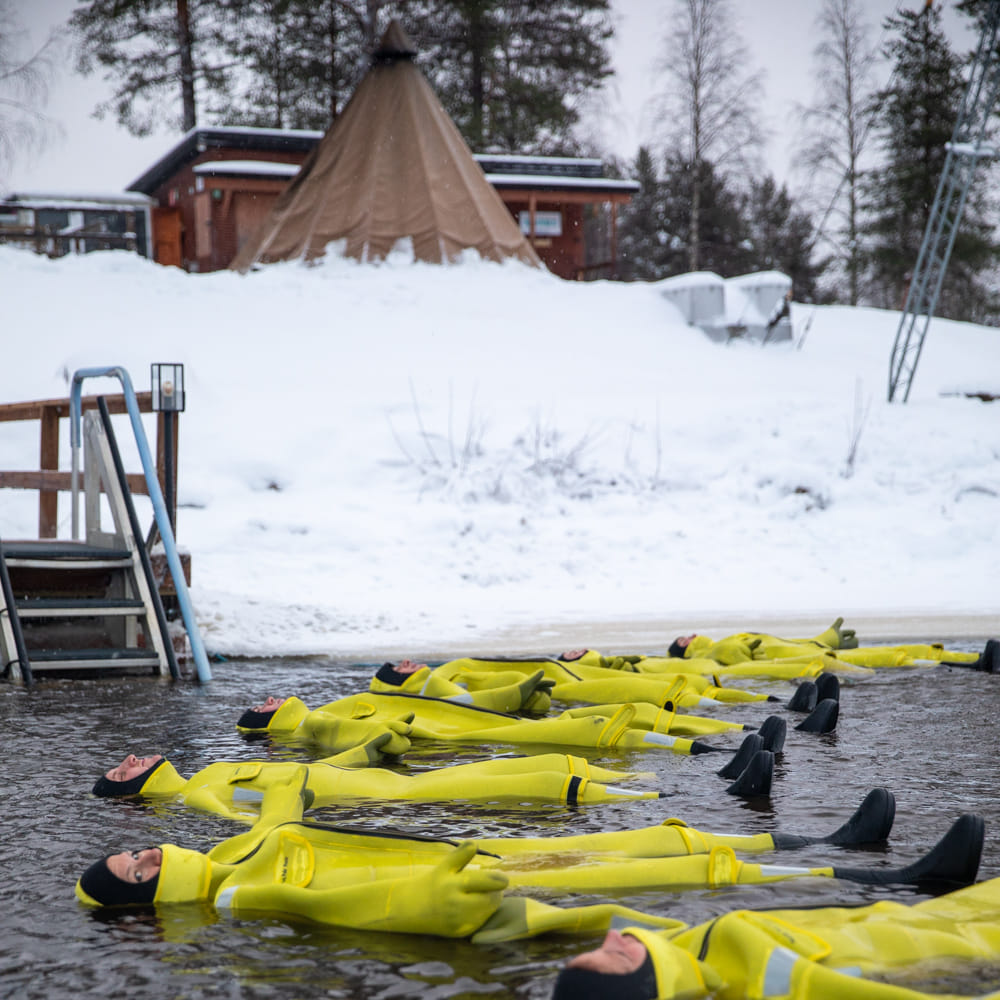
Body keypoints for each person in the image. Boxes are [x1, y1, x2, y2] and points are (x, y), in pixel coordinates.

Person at [76, 771, 982, 937]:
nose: (144, 856)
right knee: (684, 873)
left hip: (483, 853)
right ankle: (897, 886)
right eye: (134, 874)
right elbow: (347, 908)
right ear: (145, 907)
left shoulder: (231, 856)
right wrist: (452, 890)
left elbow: (289, 793)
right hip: (479, 884)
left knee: (664, 845)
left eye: (131, 852)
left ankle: (836, 847)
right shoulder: (237, 903)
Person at [551, 858, 1000, 1000]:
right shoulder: (758, 982)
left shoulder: (683, 952)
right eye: (615, 953)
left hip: (901, 916)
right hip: (937, 943)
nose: (613, 937)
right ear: (647, 981)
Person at [91, 735, 668, 817]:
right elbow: (264, 816)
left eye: (125, 759)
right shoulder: (202, 793)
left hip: (379, 782)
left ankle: (694, 773)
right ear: (134, 788)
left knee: (523, 765)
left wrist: (364, 751)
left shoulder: (211, 770)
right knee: (527, 781)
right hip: (400, 796)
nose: (132, 759)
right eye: (124, 770)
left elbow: (306, 769)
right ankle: (649, 793)